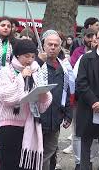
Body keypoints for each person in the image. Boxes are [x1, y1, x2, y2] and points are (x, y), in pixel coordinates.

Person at [0, 39, 52, 170]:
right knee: (9, 163)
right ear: (17, 55)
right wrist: (20, 77)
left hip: (29, 124)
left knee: (26, 164)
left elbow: (43, 105)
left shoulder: (35, 71)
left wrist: (43, 94)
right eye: (26, 56)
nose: (30, 60)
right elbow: (6, 97)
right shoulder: (6, 71)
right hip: (9, 125)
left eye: (33, 56)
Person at [76, 25, 99, 170]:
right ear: (95, 39)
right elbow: (81, 82)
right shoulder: (86, 58)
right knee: (85, 145)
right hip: (88, 107)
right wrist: (94, 101)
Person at [36, 30, 74, 170]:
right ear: (43, 45)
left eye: (56, 45)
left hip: (56, 118)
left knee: (49, 152)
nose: (52, 47)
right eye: (49, 44)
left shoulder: (64, 66)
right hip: (37, 118)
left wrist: (68, 114)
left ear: (60, 47)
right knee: (37, 154)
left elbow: (68, 91)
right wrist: (38, 62)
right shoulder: (35, 63)